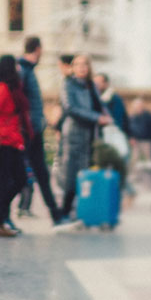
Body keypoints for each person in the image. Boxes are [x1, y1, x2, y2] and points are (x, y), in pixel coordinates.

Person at [15, 37, 65, 221]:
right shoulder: (24, 70)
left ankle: (54, 212)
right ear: (38, 49)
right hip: (29, 131)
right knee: (24, 174)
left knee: (41, 172)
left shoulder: (27, 70)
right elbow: (19, 100)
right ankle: (0, 212)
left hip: (33, 129)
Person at [0, 54, 31, 238]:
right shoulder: (2, 89)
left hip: (12, 143)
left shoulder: (11, 89)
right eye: (16, 66)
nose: (19, 69)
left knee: (19, 180)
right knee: (5, 183)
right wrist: (10, 135)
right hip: (4, 145)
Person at [56, 54, 107, 220]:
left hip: (90, 135)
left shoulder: (91, 86)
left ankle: (83, 209)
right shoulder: (68, 84)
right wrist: (96, 118)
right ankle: (64, 211)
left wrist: (108, 118)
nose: (82, 67)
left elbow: (100, 106)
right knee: (71, 174)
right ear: (72, 68)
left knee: (87, 172)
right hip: (74, 134)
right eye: (77, 64)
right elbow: (70, 108)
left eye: (85, 64)